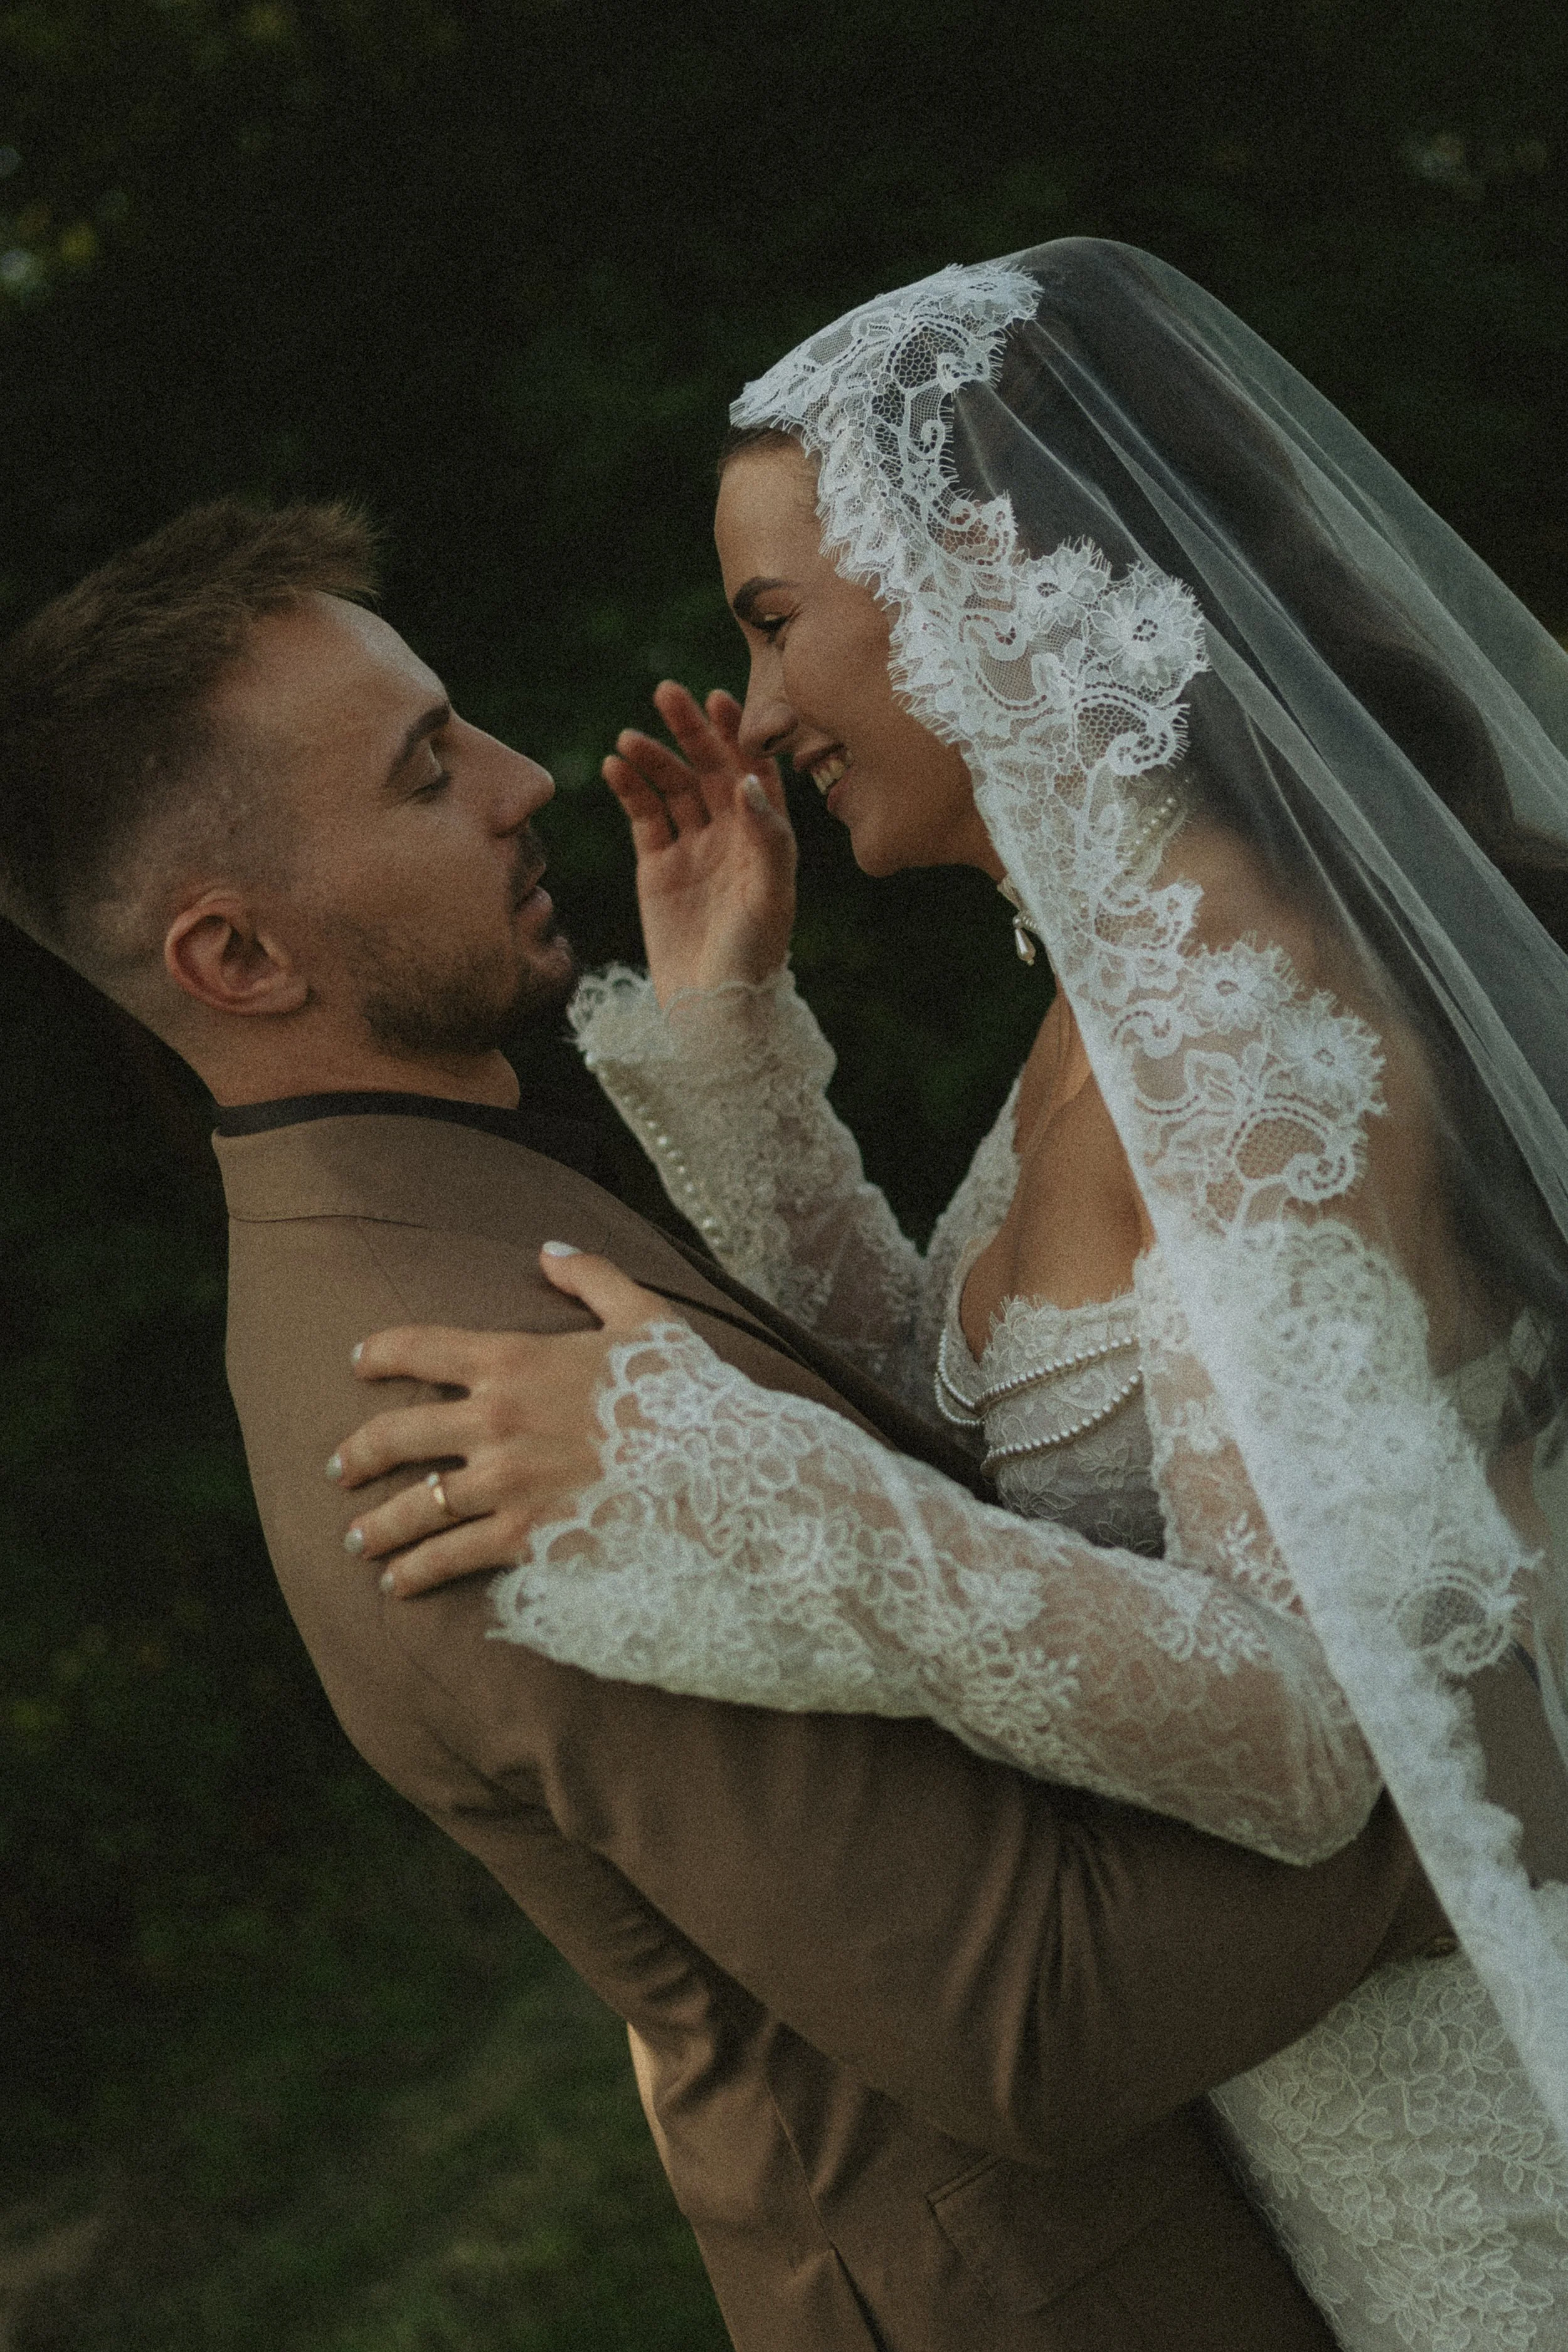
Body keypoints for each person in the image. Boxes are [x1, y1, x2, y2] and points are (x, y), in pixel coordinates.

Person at [0, 497, 1460, 2352]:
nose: (528, 781)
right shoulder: (447, 1397)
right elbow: (1037, 2012)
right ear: (235, 960)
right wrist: (1468, 1772)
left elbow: (938, 1437)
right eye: (427, 772)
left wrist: (728, 1048)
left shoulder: (450, 1190)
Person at [329, 243, 1568, 2348]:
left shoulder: (1236, 1019)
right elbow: (985, 1405)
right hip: (1319, 2097)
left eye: (776, 620)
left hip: (1473, 2129)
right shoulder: (1124, 982)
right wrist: (726, 1029)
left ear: (985, 573)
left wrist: (763, 1504)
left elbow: (1310, 1738)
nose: (770, 706)